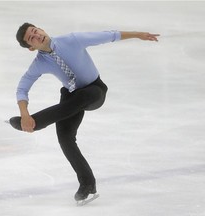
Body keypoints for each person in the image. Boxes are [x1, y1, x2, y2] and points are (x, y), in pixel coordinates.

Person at [10, 22, 160, 202]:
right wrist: (25, 114)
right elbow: (22, 88)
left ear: (41, 29)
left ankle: (37, 122)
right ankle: (87, 184)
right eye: (31, 38)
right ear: (31, 47)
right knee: (64, 137)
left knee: (85, 95)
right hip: (71, 96)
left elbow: (109, 35)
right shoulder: (39, 63)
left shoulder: (72, 40)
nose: (37, 35)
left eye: (36, 31)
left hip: (94, 91)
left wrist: (137, 34)